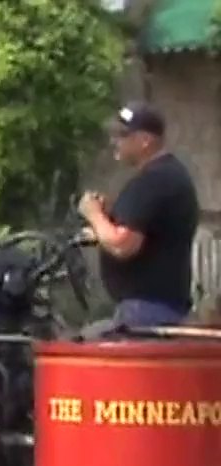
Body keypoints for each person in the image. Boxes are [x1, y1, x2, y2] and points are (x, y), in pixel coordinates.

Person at [77, 101, 200, 338]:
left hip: (145, 310)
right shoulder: (169, 176)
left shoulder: (154, 180)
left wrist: (93, 214)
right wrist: (101, 230)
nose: (115, 142)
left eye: (122, 135)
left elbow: (123, 245)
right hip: (159, 307)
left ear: (145, 140)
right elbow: (146, 234)